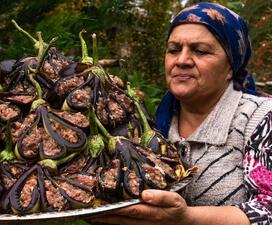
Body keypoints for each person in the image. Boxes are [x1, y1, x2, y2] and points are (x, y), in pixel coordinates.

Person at [90, 2, 272, 225]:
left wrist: (187, 219)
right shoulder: (151, 124)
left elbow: (268, 210)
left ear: (231, 67)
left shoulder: (260, 118)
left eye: (200, 50)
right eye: (174, 50)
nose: (182, 60)